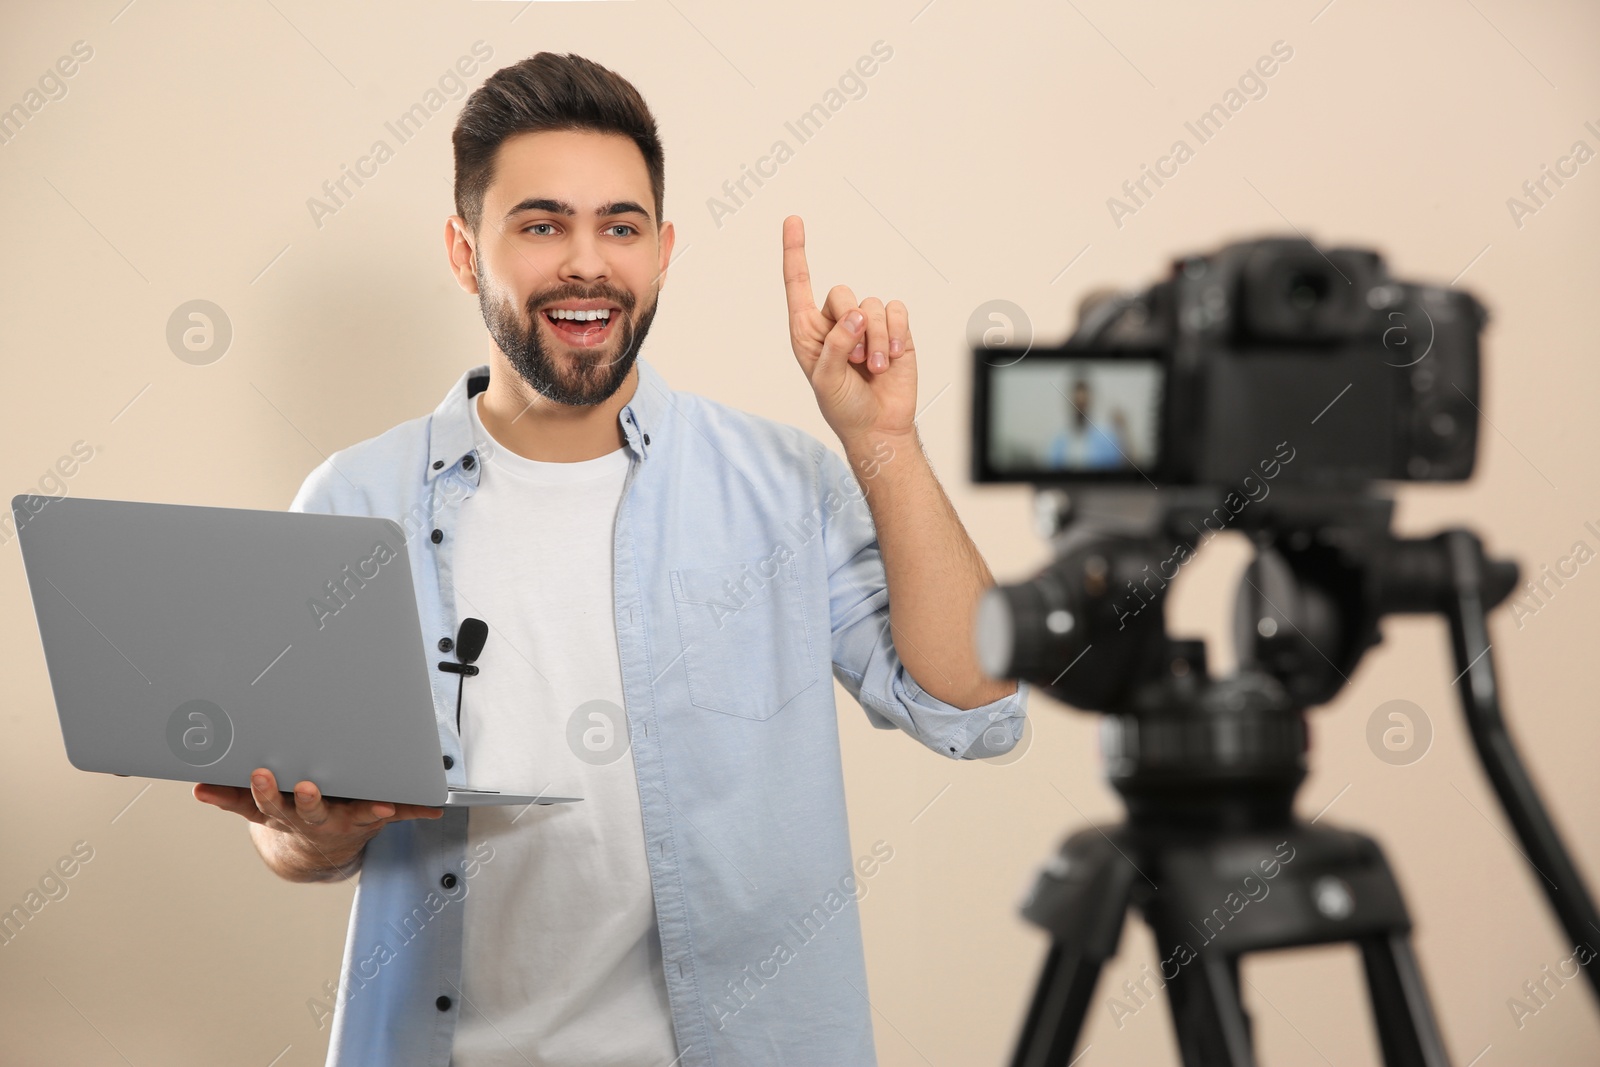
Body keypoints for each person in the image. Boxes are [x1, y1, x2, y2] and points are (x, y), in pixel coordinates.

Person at [194, 51, 1029, 1067]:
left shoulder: (782, 486)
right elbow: (290, 838)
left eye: (619, 227)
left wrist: (882, 443)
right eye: (541, 225)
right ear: (465, 252)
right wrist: (308, 836)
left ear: (663, 251)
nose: (586, 263)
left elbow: (975, 708)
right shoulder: (355, 502)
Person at [1045, 378, 1126, 469]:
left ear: (1090, 403)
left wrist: (1124, 431)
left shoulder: (1107, 438)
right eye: (1077, 404)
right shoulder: (1058, 441)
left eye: (1083, 404)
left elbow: (1120, 468)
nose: (1080, 410)